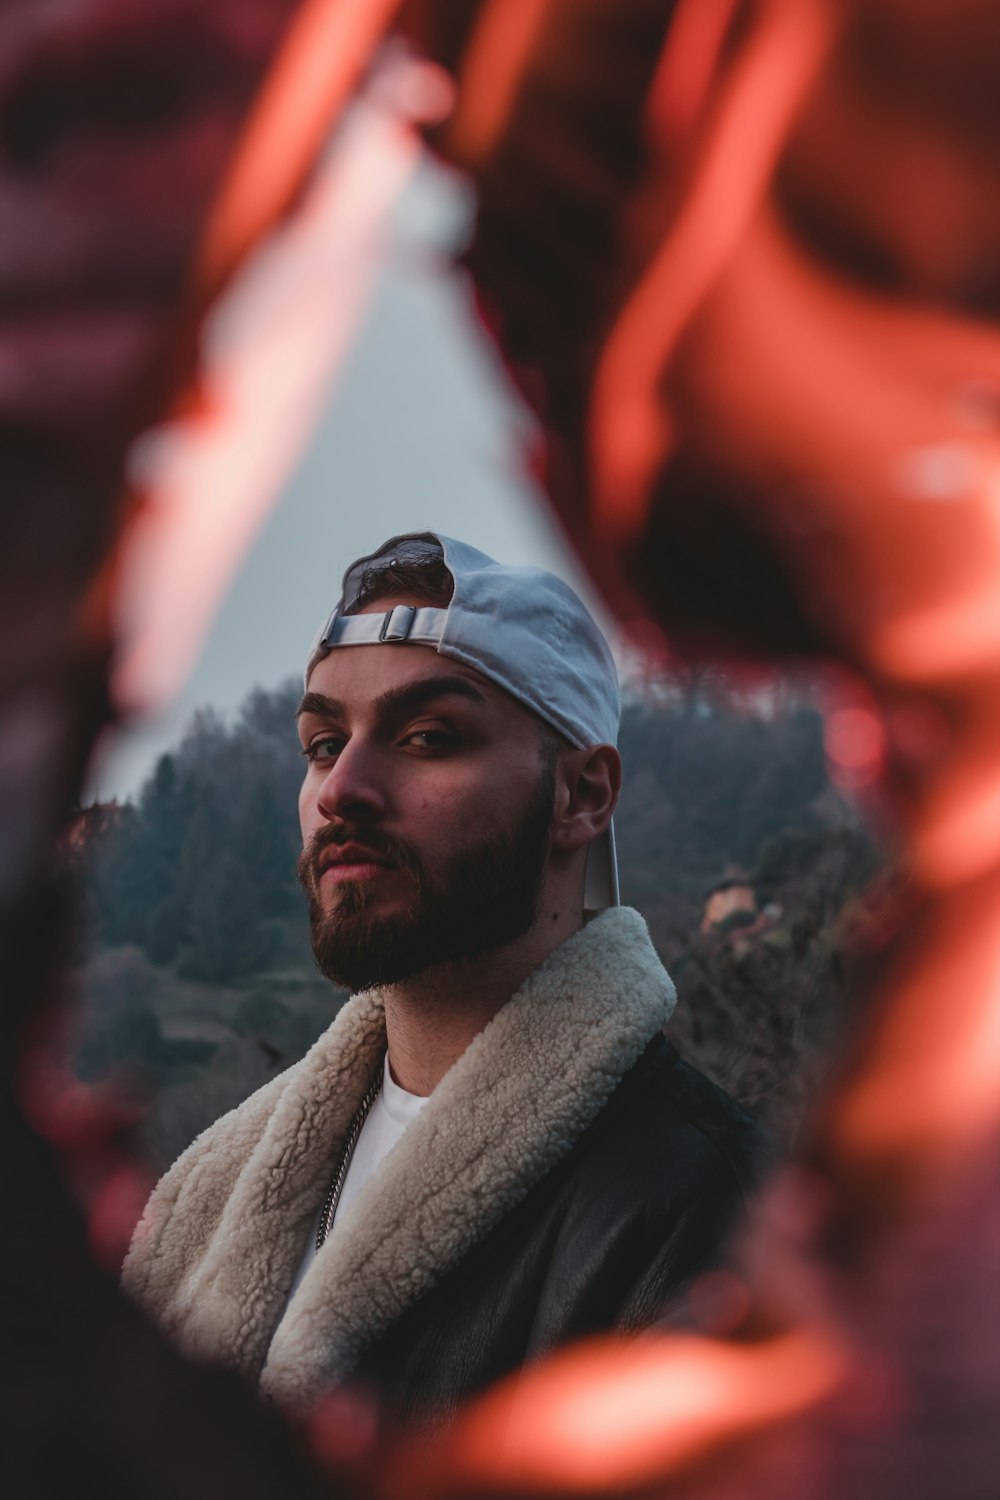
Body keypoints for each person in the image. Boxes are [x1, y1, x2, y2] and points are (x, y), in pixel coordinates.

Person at [123, 532, 765, 1424]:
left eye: (427, 737)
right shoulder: (215, 1192)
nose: (343, 788)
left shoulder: (708, 1214)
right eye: (320, 743)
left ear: (582, 797)